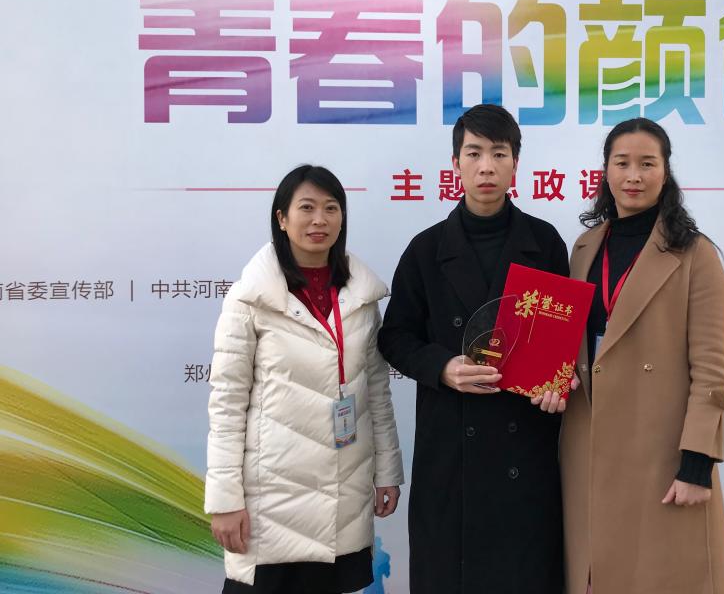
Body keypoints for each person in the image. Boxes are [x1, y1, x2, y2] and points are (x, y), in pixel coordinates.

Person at [378, 104, 570, 594]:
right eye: (474, 153)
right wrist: (442, 367)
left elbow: (562, 340)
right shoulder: (426, 249)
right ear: (456, 164)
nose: (487, 166)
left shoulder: (545, 243)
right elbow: (394, 336)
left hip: (525, 447)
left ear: (515, 164)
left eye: (499, 154)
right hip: (451, 453)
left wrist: (559, 382)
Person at [205, 165, 404, 593]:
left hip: (343, 497)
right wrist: (225, 500)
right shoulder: (250, 299)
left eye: (331, 208)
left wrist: (388, 471)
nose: (319, 220)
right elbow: (227, 405)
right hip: (272, 502)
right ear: (282, 218)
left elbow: (376, 392)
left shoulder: (361, 299)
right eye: (307, 208)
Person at [560, 118, 724, 594]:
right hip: (589, 442)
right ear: (605, 170)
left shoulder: (695, 254)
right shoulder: (584, 248)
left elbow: (712, 372)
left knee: (663, 577)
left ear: (666, 171)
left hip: (661, 448)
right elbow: (575, 344)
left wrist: (697, 462)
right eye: (622, 163)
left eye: (647, 164)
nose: (633, 176)